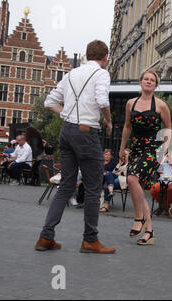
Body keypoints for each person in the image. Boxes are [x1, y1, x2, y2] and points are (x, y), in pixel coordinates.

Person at [35, 40, 116, 254]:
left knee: (66, 186)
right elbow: (101, 100)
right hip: (87, 132)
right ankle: (90, 240)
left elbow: (49, 102)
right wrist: (108, 121)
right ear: (105, 57)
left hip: (66, 131)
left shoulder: (71, 74)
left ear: (88, 55)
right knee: (92, 188)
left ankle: (46, 237)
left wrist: (66, 114)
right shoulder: (101, 74)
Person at [120, 70, 171, 246]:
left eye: (152, 80)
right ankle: (149, 231)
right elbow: (127, 127)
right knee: (138, 189)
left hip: (152, 149)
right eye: (146, 79)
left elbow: (168, 130)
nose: (149, 82)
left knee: (132, 177)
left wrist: (164, 150)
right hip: (135, 148)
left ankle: (138, 218)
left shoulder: (161, 105)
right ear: (140, 82)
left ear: (156, 85)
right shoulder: (130, 104)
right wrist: (122, 149)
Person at [150, 152, 172, 216]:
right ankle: (165, 206)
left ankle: (163, 207)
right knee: (153, 190)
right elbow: (156, 168)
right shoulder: (164, 165)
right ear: (168, 159)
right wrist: (163, 159)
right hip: (162, 183)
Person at [100, 148, 131, 213]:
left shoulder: (131, 164)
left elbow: (128, 175)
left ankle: (106, 205)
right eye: (123, 155)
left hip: (123, 181)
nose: (124, 156)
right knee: (108, 174)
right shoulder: (120, 163)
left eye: (125, 155)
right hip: (115, 179)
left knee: (108, 185)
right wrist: (119, 164)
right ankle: (110, 193)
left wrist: (121, 173)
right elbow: (113, 172)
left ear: (129, 155)